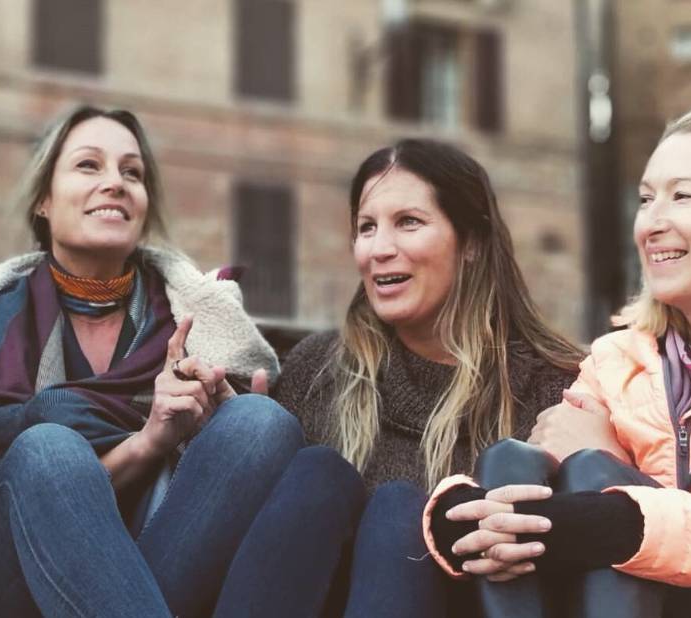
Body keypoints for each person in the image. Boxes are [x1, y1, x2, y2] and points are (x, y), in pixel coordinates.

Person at [0, 104, 303, 618]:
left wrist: (205, 434)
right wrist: (149, 442)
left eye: (132, 172)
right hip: (13, 585)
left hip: (161, 570)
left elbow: (221, 511)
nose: (115, 183)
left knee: (260, 423)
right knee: (48, 452)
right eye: (88, 165)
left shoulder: (197, 328)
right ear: (43, 200)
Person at [211, 138, 584, 617]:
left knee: (401, 511)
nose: (379, 249)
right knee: (319, 472)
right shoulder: (317, 369)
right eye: (366, 227)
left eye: (408, 222)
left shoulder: (552, 389)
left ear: (470, 242)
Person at [426, 96, 691, 618]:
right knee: (513, 461)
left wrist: (618, 501)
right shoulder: (614, 359)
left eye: (683, 197)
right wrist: (457, 518)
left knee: (599, 472)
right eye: (647, 199)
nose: (652, 222)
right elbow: (542, 479)